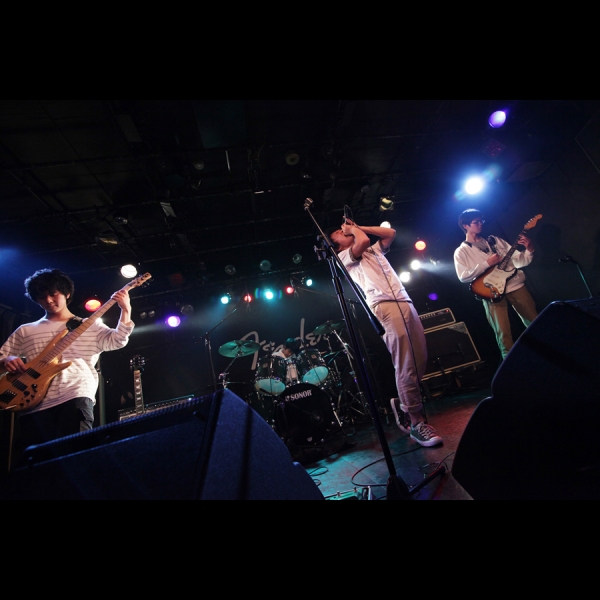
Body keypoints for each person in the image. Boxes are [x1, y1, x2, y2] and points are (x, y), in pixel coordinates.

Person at [0, 268, 134, 469]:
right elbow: (2, 357)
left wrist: (125, 309)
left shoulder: (89, 325)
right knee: (38, 467)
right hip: (31, 401)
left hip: (74, 394)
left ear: (67, 293)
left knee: (76, 459)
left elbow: (117, 340)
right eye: (42, 297)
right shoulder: (25, 330)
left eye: (53, 294)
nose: (48, 300)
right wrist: (8, 359)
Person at [328, 219, 442, 447]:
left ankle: (403, 401)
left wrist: (358, 226)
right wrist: (354, 230)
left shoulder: (372, 249)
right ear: (337, 245)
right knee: (406, 362)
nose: (343, 231)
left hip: (404, 301)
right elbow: (363, 240)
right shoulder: (344, 256)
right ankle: (416, 422)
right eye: (339, 233)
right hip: (384, 306)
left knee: (419, 359)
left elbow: (390, 232)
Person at [453, 208, 538, 360]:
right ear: (466, 226)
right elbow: (463, 276)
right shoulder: (461, 251)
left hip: (514, 285)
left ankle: (547, 351)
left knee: (534, 321)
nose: (480, 224)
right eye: (476, 222)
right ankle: (510, 364)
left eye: (481, 221)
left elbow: (518, 261)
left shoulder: (495, 240)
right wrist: (486, 263)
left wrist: (529, 250)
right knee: (503, 332)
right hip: (490, 291)